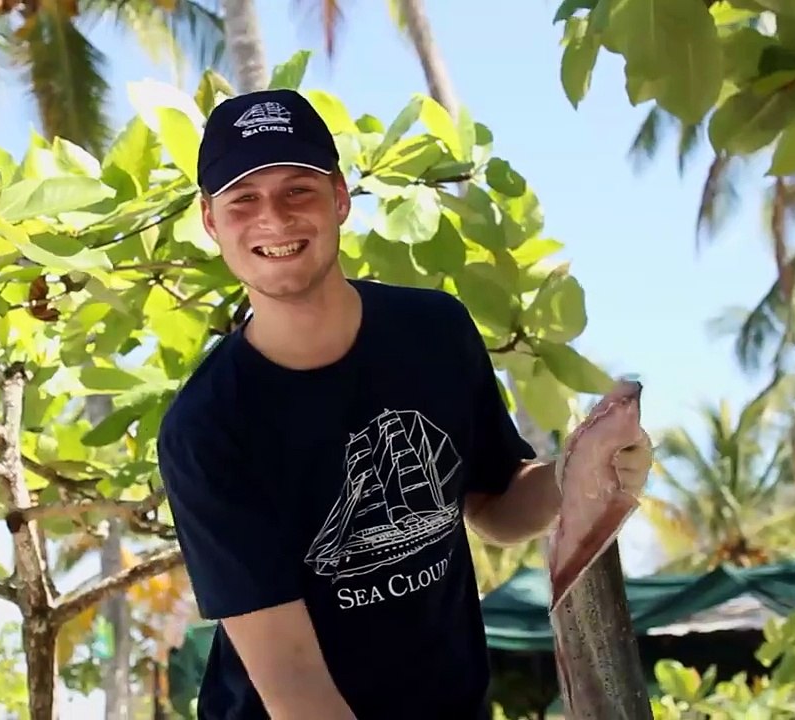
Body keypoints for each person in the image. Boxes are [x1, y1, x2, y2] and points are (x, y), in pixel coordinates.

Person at [156, 88, 653, 720]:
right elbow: (296, 688)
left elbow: (497, 507)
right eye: (243, 200)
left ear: (339, 197)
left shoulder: (435, 332)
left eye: (297, 190)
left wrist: (578, 471)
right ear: (210, 221)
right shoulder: (206, 427)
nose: (273, 219)